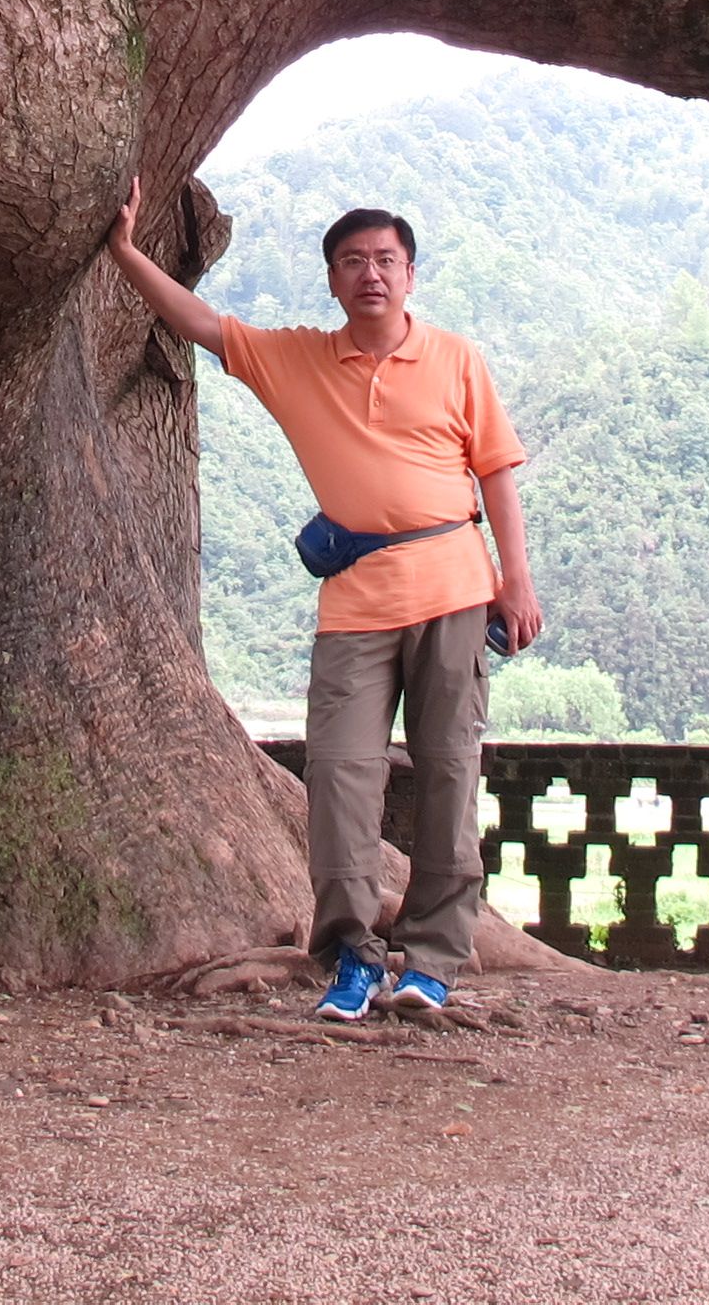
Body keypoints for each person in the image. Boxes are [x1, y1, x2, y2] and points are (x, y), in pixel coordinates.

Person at [105, 179, 539, 1022]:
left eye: (385, 260)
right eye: (353, 262)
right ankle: (349, 954)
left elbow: (496, 472)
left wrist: (515, 580)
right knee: (340, 779)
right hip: (354, 605)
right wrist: (124, 251)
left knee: (450, 774)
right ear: (333, 280)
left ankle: (435, 959)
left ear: (410, 274)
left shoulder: (456, 361)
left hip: (455, 589)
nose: (370, 274)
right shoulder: (298, 359)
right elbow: (199, 324)